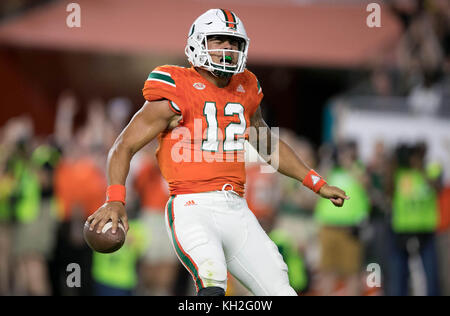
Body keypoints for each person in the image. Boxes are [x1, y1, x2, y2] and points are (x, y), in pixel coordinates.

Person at [86, 8, 349, 296]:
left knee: (281, 291)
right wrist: (115, 199)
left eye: (234, 43)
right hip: (191, 206)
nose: (228, 49)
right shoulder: (176, 86)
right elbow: (124, 145)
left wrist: (316, 182)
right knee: (212, 284)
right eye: (220, 41)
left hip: (237, 209)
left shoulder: (247, 86)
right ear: (198, 42)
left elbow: (267, 144)